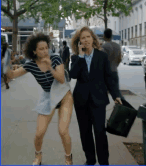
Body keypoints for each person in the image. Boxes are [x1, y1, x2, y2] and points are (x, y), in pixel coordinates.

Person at [5, 33, 74, 165]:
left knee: (63, 131)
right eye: (41, 49)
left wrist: (49, 68)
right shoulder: (31, 64)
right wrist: (6, 63)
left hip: (63, 94)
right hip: (48, 96)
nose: (45, 51)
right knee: (39, 133)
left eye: (46, 47)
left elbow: (61, 79)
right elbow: (12, 74)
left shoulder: (55, 58)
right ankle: (38, 157)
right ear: (34, 51)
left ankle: (68, 159)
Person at [69, 26, 122, 165]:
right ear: (79, 42)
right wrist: (80, 56)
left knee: (100, 132)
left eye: (88, 37)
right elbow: (73, 75)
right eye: (82, 38)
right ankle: (90, 160)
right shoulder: (75, 57)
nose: (85, 40)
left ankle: (104, 162)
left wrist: (116, 95)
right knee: (85, 133)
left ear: (93, 38)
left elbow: (109, 77)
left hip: (98, 100)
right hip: (81, 101)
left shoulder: (102, 56)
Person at [102, 28, 124, 99]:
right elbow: (120, 58)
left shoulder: (104, 47)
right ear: (111, 36)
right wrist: (115, 65)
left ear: (104, 36)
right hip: (114, 71)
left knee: (102, 94)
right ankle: (123, 107)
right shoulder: (117, 46)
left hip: (105, 74)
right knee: (117, 94)